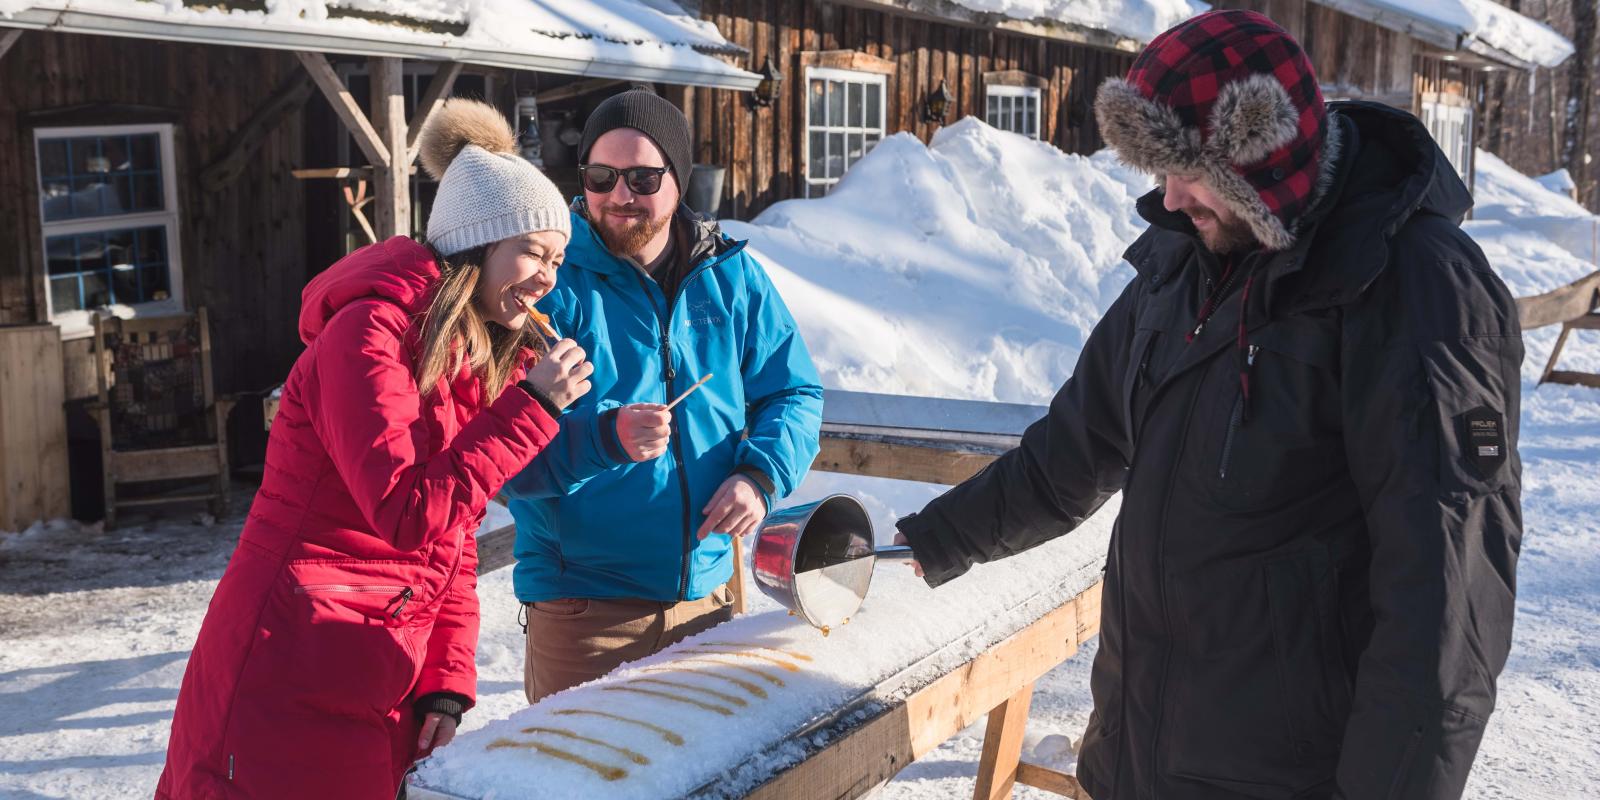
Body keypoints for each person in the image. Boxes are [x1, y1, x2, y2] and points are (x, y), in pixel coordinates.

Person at [894, 10, 1523, 799]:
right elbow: (1069, 457)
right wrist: (930, 541)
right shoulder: (1183, 262)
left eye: (1189, 170)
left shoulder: (1414, 286)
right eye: (1158, 167)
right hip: (1137, 758)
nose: (1170, 195)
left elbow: (1445, 610)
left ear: (1264, 155)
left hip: (1286, 778)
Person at [156, 99, 594, 799]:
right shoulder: (367, 336)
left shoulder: (473, 361)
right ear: (476, 243)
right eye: (533, 253)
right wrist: (532, 408)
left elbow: (448, 543)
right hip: (289, 662)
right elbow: (406, 511)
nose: (548, 277)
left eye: (558, 260)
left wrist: (446, 681)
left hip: (383, 674)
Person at [502, 88, 824, 702]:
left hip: (709, 598)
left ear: (678, 181)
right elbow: (505, 462)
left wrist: (760, 474)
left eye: (643, 177)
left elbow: (795, 391)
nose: (620, 195)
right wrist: (604, 440)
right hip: (586, 613)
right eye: (602, 176)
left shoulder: (729, 275)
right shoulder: (548, 282)